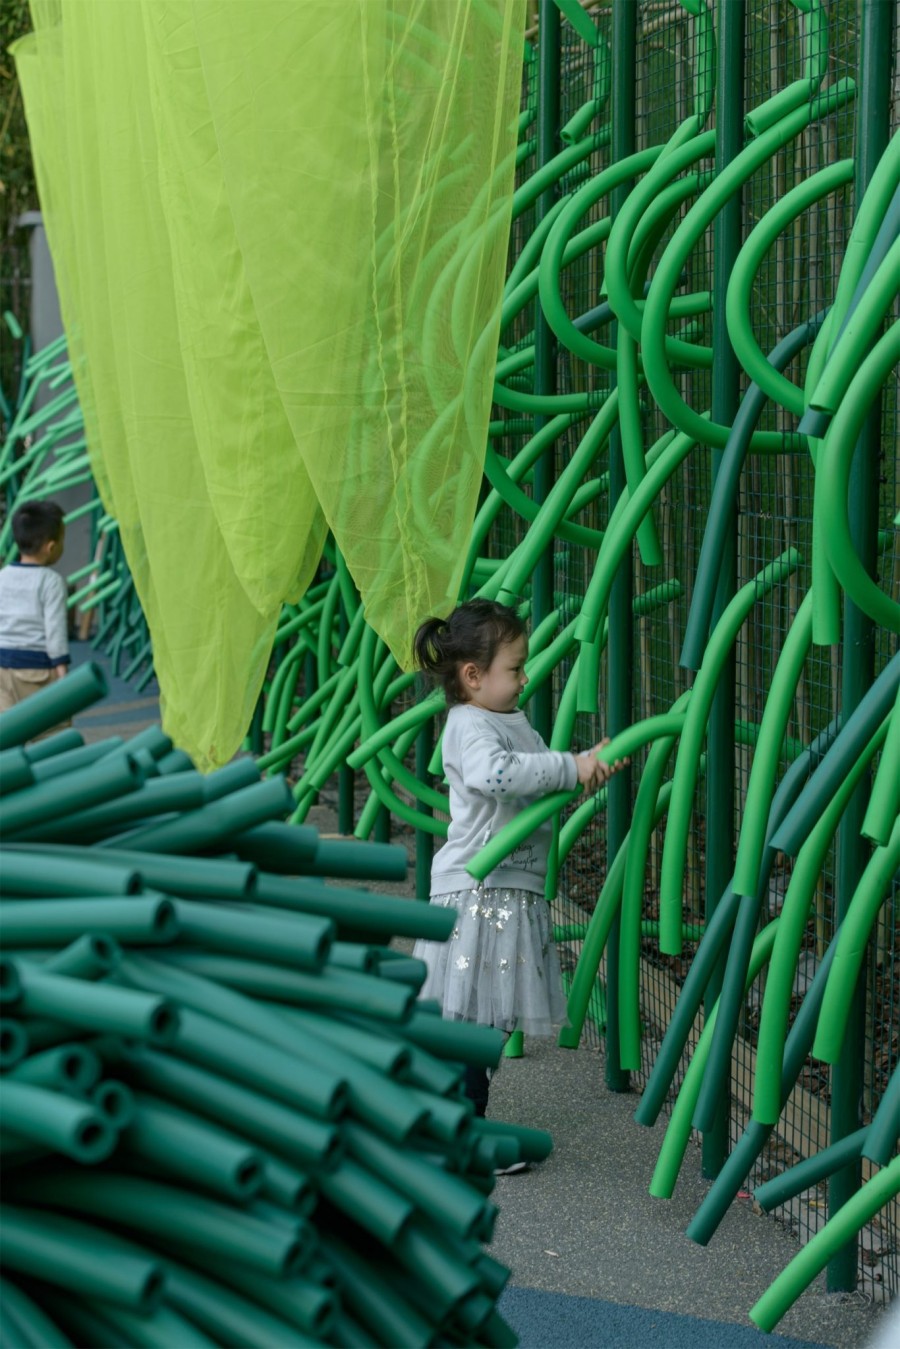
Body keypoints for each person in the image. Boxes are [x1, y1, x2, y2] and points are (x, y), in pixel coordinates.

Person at [411, 598, 627, 1129]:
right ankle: (460, 1126)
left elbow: (533, 781)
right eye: (514, 667)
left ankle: (452, 1118)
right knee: (469, 1020)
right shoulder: (469, 725)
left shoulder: (506, 718)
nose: (525, 676)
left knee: (485, 1021)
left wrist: (581, 770)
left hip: (507, 891)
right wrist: (567, 767)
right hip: (479, 894)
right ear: (473, 675)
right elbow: (498, 776)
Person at [0, 499, 70, 714]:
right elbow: (55, 629)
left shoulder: (2, 577)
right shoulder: (51, 581)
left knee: (7, 731)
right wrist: (62, 670)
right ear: (51, 547)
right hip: (37, 670)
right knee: (49, 729)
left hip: (2, 666)